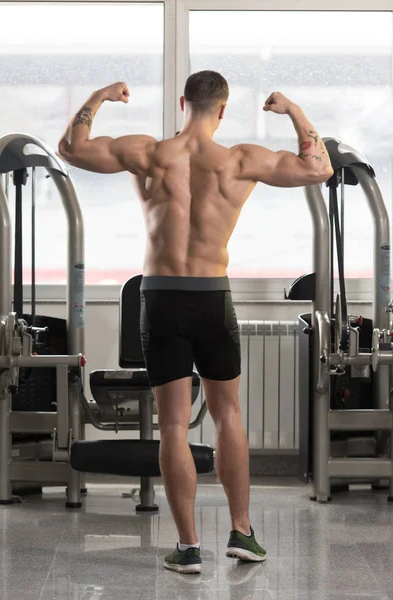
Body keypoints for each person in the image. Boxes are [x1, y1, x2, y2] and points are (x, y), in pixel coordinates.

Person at [58, 71, 333, 575]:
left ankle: (187, 547)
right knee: (228, 414)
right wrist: (292, 109)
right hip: (213, 296)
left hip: (159, 296)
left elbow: (71, 149)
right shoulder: (239, 160)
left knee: (174, 426)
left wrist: (99, 96)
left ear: (184, 102)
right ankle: (242, 533)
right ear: (223, 110)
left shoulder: (150, 153)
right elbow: (319, 169)